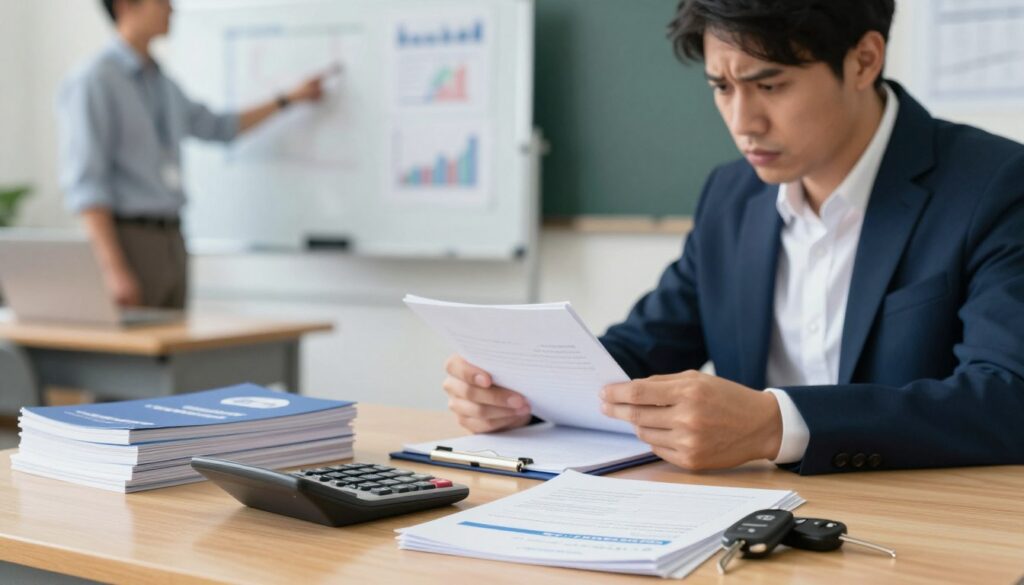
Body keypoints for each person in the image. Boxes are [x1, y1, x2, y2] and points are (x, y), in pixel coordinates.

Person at [441, 0, 1024, 475]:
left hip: (924, 527)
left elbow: (1005, 399)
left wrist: (777, 424)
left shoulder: (994, 185)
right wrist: (526, 393)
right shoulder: (732, 194)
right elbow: (645, 351)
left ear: (864, 60)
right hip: (749, 525)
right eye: (721, 87)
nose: (743, 122)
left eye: (769, 85)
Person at [58, 0, 328, 308]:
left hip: (172, 239)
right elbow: (87, 186)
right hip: (129, 240)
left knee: (176, 352)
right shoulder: (94, 80)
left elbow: (220, 127)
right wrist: (112, 269)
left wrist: (288, 100)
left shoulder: (162, 83)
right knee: (135, 352)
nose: (171, 10)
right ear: (125, 6)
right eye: (161, 2)